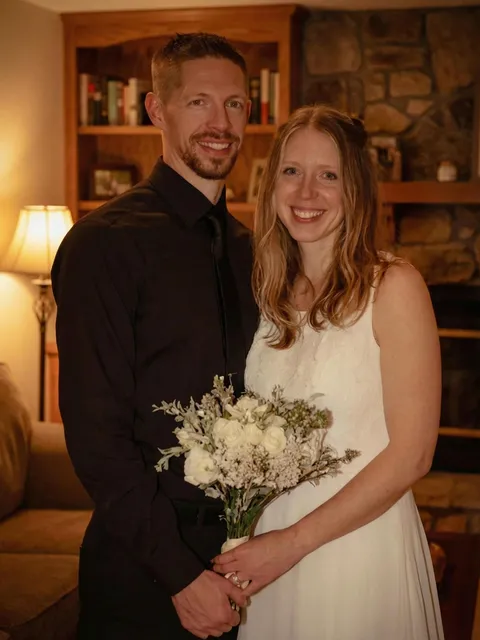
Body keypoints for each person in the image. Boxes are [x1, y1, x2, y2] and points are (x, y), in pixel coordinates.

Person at [51, 33, 258, 640]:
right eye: (199, 102)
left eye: (235, 104)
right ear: (156, 109)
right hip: (143, 570)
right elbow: (96, 436)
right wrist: (179, 577)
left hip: (249, 561)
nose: (221, 123)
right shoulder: (103, 244)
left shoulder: (255, 251)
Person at [212, 105, 445, 640]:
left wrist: (291, 543)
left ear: (355, 190)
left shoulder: (394, 287)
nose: (306, 192)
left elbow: (413, 455)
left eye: (328, 176)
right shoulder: (266, 293)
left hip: (354, 548)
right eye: (292, 171)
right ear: (272, 185)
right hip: (269, 546)